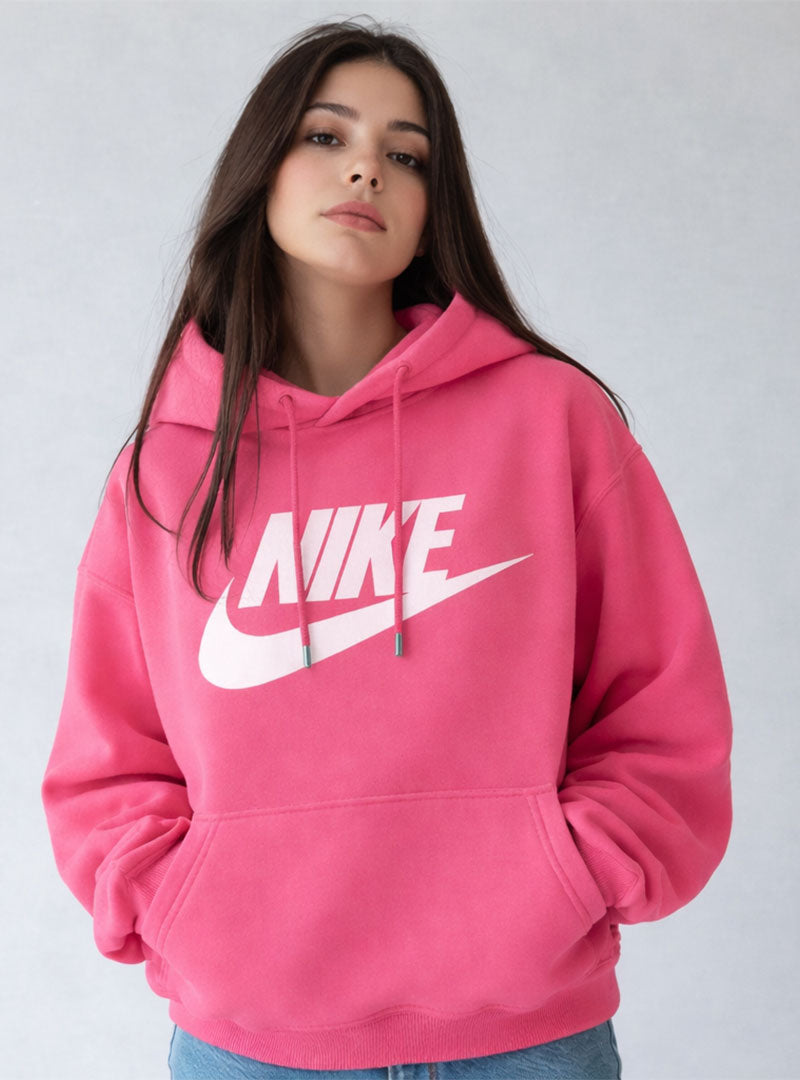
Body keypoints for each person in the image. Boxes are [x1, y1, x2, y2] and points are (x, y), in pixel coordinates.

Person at [40, 15, 733, 1080]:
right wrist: (181, 907)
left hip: (526, 1036)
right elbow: (108, 765)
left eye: (406, 155)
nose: (366, 166)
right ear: (260, 173)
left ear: (430, 209)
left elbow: (659, 704)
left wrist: (569, 876)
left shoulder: (549, 421)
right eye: (326, 136)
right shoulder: (168, 468)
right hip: (255, 1046)